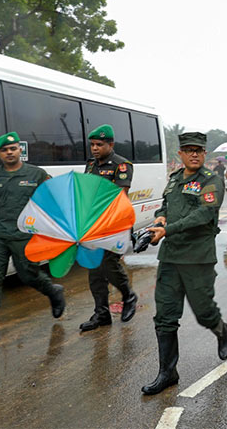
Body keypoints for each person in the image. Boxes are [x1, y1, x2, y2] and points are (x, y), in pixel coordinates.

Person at [141, 132, 227, 395]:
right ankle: (167, 372)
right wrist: (159, 219)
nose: (194, 154)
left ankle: (220, 329)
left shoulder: (211, 181)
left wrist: (168, 230)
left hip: (197, 258)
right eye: (188, 150)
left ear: (205, 154)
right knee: (165, 316)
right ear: (180, 154)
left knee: (204, 311)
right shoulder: (173, 181)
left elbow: (204, 215)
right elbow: (165, 208)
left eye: (199, 150)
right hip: (170, 258)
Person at [0, 132, 66, 348]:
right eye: (4, 150)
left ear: (20, 150)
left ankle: (53, 291)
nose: (9, 152)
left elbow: (53, 201)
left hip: (25, 234)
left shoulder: (37, 174)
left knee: (29, 275)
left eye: (13, 148)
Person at [80, 124, 138, 332]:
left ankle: (128, 295)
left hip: (114, 224)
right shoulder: (90, 165)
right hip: (93, 224)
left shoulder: (121, 165)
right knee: (94, 270)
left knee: (109, 265)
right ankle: (101, 314)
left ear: (110, 144)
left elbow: (119, 196)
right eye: (92, 145)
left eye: (99, 144)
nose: (94, 148)